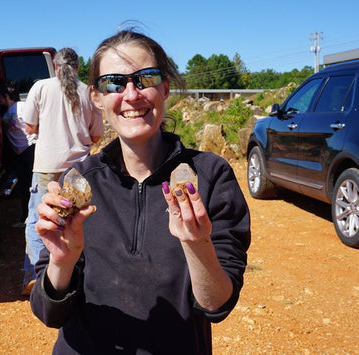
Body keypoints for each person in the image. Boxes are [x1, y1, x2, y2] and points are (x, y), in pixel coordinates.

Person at [29, 29, 251, 354]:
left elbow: (217, 305)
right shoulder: (79, 182)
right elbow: (49, 312)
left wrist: (196, 243)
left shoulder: (210, 176)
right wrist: (62, 260)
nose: (131, 95)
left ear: (165, 87)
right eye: (114, 83)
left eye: (145, 78)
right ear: (96, 96)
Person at [20, 48, 104, 296]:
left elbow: (29, 126)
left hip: (46, 166)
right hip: (80, 168)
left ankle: (38, 275)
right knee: (79, 222)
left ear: (55, 67)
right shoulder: (88, 92)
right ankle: (80, 276)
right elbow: (97, 134)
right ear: (78, 67)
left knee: (37, 221)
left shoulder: (41, 87)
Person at [0, 81, 36, 227]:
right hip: (23, 152)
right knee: (27, 186)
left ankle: (28, 219)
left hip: (30, 149)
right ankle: (28, 218)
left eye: (0, 98)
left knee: (30, 186)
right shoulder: (9, 112)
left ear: (6, 96)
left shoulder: (20, 107)